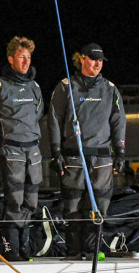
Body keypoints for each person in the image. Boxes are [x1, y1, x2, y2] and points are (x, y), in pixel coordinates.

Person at [47, 43, 126, 259]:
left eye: (100, 60)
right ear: (82, 59)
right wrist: (55, 152)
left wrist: (120, 152)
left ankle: (92, 252)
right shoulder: (65, 87)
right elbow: (53, 120)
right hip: (73, 155)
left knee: (98, 204)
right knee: (73, 205)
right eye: (93, 59)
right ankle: (73, 252)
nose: (97, 64)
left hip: (101, 158)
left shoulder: (110, 89)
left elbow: (119, 121)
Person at [0, 36, 45, 261]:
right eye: (21, 57)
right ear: (11, 59)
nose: (26, 61)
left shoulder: (34, 86)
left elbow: (39, 113)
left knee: (31, 202)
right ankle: (10, 249)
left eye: (28, 57)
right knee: (14, 201)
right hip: (11, 149)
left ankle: (25, 248)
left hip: (33, 150)